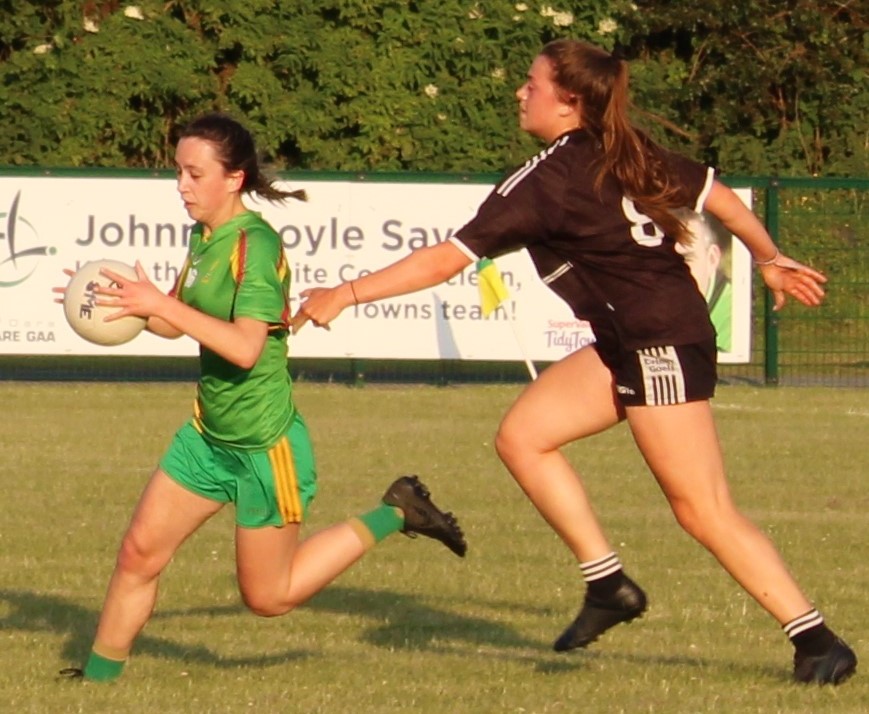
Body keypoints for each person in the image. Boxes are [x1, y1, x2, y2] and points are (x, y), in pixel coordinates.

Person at [292, 41, 856, 685]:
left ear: (568, 101)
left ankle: (817, 642)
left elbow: (444, 260)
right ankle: (608, 585)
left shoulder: (550, 179)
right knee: (523, 437)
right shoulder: (621, 148)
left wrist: (346, 292)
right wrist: (768, 257)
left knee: (703, 509)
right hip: (633, 340)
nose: (520, 92)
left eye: (531, 83)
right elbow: (718, 196)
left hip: (656, 343)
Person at [54, 113, 466, 682]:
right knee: (138, 555)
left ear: (234, 178)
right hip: (207, 438)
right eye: (178, 171)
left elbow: (245, 349)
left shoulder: (256, 245)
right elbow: (178, 322)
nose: (182, 185)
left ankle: (397, 511)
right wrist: (124, 309)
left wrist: (161, 305)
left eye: (195, 174)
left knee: (268, 598)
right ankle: (96, 682)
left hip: (264, 448)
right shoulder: (204, 236)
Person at [677, 210, 733, 352]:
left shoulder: (733, 316)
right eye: (661, 260)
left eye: (685, 260)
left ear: (712, 259)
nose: (671, 272)